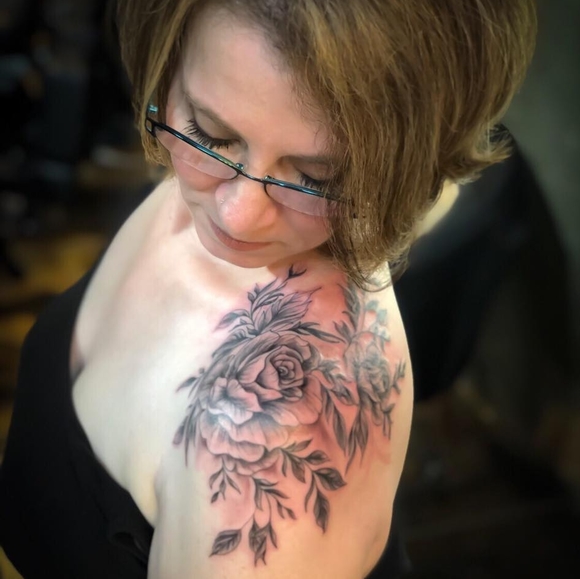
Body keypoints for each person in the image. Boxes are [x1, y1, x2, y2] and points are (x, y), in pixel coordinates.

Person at [0, 1, 536, 577]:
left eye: (315, 177)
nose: (238, 216)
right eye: (211, 133)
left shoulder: (272, 443)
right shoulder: (202, 185)